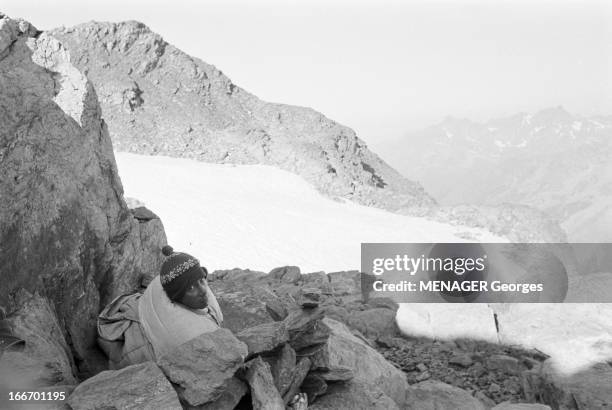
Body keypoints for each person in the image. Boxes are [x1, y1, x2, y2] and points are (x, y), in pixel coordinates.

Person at [97, 245, 223, 368]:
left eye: (201, 280)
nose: (202, 290)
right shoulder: (186, 335)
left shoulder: (171, 288)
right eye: (191, 288)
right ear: (176, 297)